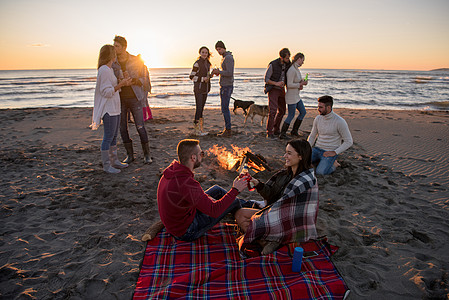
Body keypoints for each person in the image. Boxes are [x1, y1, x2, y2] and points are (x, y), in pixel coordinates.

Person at [157, 139, 256, 241]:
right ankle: (242, 220)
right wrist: (235, 189)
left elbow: (189, 195)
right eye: (201, 154)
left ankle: (251, 205)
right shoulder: (187, 183)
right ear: (193, 157)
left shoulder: (173, 171)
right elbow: (214, 211)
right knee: (233, 201)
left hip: (181, 218)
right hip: (186, 231)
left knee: (217, 190)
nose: (202, 156)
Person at [235, 139, 319, 255]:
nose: (285, 156)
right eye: (285, 152)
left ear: (300, 156)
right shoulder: (285, 174)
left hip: (290, 222)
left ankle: (272, 239)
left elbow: (291, 210)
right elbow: (271, 195)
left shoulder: (305, 180)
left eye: (289, 153)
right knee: (240, 214)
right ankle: (268, 241)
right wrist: (257, 184)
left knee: (255, 221)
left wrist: (263, 217)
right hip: (275, 212)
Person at [91, 45, 132, 173]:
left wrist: (123, 81)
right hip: (108, 109)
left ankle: (114, 161)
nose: (116, 55)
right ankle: (107, 165)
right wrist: (121, 84)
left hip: (115, 108)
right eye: (114, 53)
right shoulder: (104, 70)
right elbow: (106, 92)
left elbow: (113, 88)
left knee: (114, 136)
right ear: (110, 55)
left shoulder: (109, 70)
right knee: (108, 137)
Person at [112, 35, 152, 164]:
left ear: (124, 47)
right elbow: (110, 81)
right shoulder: (113, 63)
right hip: (119, 99)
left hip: (135, 98)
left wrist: (133, 80)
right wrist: (120, 81)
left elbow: (145, 79)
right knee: (122, 128)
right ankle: (130, 155)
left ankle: (147, 155)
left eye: (117, 46)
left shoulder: (136, 60)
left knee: (140, 126)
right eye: (114, 46)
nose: (114, 48)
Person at [307, 95, 353, 175]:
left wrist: (335, 152)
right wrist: (306, 148)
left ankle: (334, 165)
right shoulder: (318, 119)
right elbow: (312, 135)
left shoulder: (340, 121)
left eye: (321, 107)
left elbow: (349, 141)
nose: (318, 109)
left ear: (328, 108)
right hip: (317, 149)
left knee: (320, 172)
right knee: (300, 163)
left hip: (330, 151)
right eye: (318, 107)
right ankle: (321, 162)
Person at [264, 48, 291, 139]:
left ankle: (276, 129)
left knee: (282, 110)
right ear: (281, 57)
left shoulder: (288, 64)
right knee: (273, 111)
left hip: (282, 89)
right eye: (287, 58)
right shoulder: (273, 64)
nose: (288, 59)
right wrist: (276, 83)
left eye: (289, 58)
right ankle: (269, 132)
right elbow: (266, 79)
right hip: (273, 89)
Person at [281, 52, 308, 139]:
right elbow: (289, 85)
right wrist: (299, 85)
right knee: (291, 115)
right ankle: (282, 133)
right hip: (291, 97)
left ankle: (294, 131)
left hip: (297, 97)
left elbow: (297, 81)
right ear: (298, 59)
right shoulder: (292, 70)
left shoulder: (297, 69)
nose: (303, 62)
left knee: (303, 112)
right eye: (302, 60)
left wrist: (303, 82)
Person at [212, 41, 234, 137]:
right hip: (225, 85)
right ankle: (227, 129)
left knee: (225, 108)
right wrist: (219, 72)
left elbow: (229, 73)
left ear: (223, 48)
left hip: (227, 86)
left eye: (219, 49)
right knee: (224, 108)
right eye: (217, 50)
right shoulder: (225, 57)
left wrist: (219, 72)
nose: (218, 51)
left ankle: (228, 130)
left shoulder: (228, 58)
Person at [189, 46, 212, 136]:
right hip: (198, 89)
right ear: (200, 53)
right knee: (198, 109)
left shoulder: (208, 63)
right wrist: (203, 79)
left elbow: (207, 75)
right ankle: (196, 130)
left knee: (201, 109)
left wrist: (211, 75)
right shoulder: (197, 63)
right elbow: (191, 76)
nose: (204, 54)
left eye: (206, 52)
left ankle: (201, 129)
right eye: (203, 52)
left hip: (205, 89)